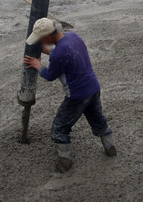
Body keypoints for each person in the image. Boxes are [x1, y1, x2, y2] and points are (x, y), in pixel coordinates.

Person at [23, 18, 116, 173]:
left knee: (59, 129)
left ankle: (65, 162)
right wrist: (50, 52)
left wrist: (38, 66)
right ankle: (110, 147)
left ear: (46, 37)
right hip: (93, 88)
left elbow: (50, 75)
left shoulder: (59, 54)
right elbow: (68, 52)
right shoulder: (73, 36)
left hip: (77, 96)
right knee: (98, 120)